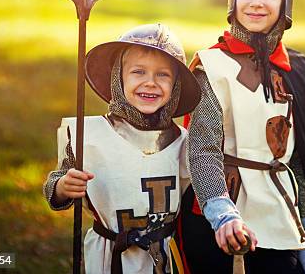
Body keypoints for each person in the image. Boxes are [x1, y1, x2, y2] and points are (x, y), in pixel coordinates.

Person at [178, 0, 305, 274]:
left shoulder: (299, 70)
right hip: (220, 221)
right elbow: (203, 151)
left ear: (285, 0)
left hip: (281, 217)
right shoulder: (212, 66)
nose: (256, 1)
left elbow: (298, 160)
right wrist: (222, 214)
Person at [42, 23, 201, 274]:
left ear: (176, 86)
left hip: (166, 257)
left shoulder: (185, 142)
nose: (150, 83)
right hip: (109, 257)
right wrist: (63, 187)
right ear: (119, 77)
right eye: (138, 72)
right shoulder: (90, 135)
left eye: (163, 75)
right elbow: (55, 185)